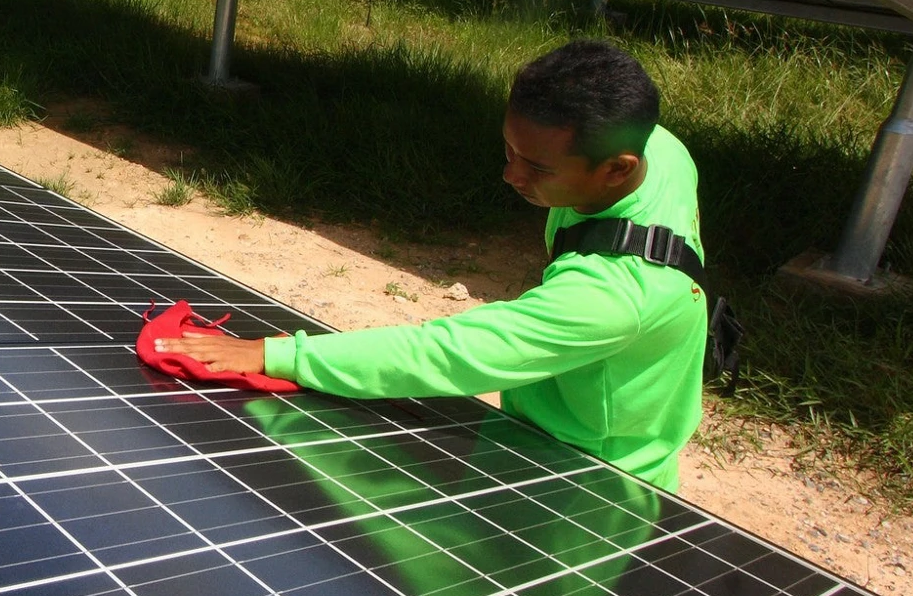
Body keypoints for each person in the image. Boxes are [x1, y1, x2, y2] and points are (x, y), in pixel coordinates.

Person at [159, 40, 709, 492]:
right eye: (509, 150)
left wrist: (277, 353)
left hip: (593, 477)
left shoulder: (608, 299)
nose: (510, 176)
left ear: (617, 169)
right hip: (613, 413)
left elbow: (446, 354)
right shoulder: (661, 150)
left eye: (537, 166)